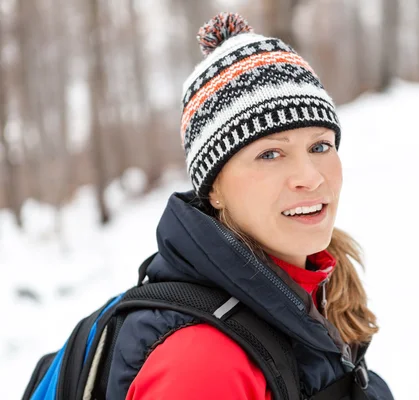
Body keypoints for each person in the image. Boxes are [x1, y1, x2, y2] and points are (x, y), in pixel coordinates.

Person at [106, 12, 394, 399]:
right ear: (214, 189)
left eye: (320, 146)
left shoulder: (321, 293)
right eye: (270, 154)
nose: (309, 176)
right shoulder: (203, 366)